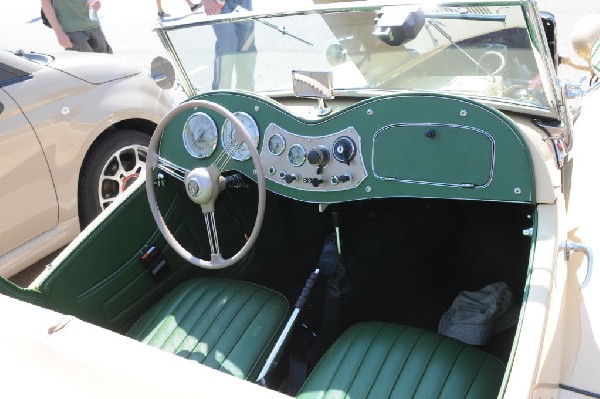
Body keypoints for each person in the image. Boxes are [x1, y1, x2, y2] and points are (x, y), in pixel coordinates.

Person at [201, 0, 256, 90]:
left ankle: (247, 97)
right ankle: (221, 97)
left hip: (244, 2)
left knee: (246, 47)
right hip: (218, 3)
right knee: (227, 50)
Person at [40, 0, 112, 54]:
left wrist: (97, 2)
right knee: (85, 68)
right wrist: (59, 33)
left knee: (107, 63)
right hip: (71, 29)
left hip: (93, 24)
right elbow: (46, 3)